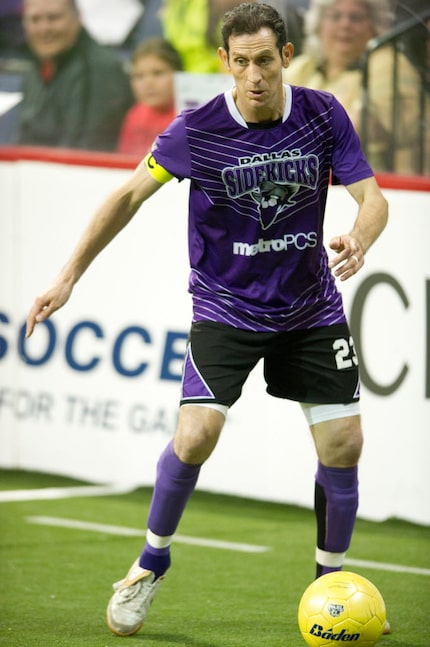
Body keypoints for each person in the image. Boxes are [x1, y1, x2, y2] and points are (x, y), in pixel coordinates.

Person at [25, 3, 389, 638]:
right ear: (225, 61)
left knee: (345, 445)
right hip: (226, 306)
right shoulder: (197, 130)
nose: (255, 75)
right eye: (241, 62)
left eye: (266, 61)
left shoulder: (322, 114)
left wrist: (360, 236)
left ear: (286, 58)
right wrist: (67, 276)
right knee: (194, 437)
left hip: (310, 306)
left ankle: (330, 587)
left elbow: (372, 196)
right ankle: (148, 565)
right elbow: (126, 196)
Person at [284, 0, 422, 174]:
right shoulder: (303, 67)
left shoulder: (388, 63)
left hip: (377, 183)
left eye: (355, 18)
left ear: (374, 26)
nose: (345, 24)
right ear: (318, 24)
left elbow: (366, 127)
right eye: (335, 16)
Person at [16, 0, 133, 151]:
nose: (43, 28)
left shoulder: (102, 70)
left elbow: (87, 154)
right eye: (34, 19)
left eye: (53, 18)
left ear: (77, 18)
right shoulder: (35, 69)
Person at [117, 37, 183, 156]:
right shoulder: (134, 114)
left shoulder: (190, 118)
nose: (148, 83)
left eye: (158, 73)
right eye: (139, 76)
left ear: (179, 73)